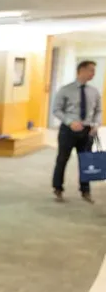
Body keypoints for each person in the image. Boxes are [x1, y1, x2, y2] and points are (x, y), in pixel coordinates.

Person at [52, 60, 102, 203]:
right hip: (68, 130)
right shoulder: (65, 90)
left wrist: (96, 124)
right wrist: (70, 122)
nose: (93, 73)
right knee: (62, 159)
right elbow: (56, 110)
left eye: (94, 70)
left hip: (87, 131)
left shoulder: (94, 91)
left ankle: (85, 191)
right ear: (81, 71)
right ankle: (58, 188)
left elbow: (98, 110)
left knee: (86, 161)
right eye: (91, 70)